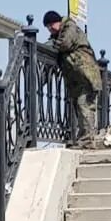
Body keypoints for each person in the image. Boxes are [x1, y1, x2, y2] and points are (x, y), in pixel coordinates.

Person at [43, 10, 101, 145]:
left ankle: (87, 140)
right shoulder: (61, 32)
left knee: (84, 105)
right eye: (47, 27)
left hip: (86, 76)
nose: (50, 29)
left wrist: (52, 43)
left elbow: (65, 44)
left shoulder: (70, 27)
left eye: (51, 25)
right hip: (78, 78)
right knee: (79, 107)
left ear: (58, 21)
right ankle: (84, 138)